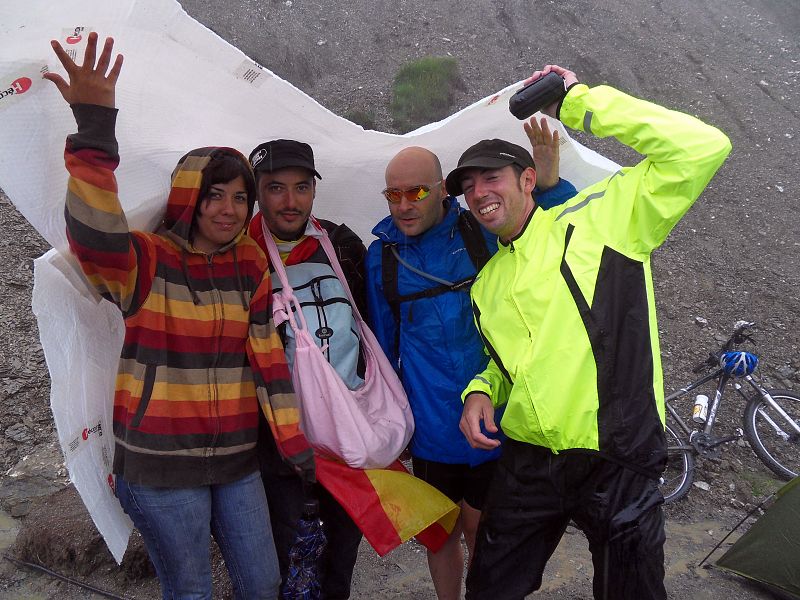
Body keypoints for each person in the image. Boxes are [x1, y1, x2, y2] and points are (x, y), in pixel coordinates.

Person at [45, 33, 313, 600]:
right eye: (214, 195)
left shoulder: (250, 264)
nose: (228, 208)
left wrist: (292, 442)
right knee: (190, 591)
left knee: (263, 585)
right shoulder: (146, 260)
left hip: (237, 462)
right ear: (189, 198)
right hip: (159, 466)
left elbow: (267, 357)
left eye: (240, 198)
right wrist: (94, 125)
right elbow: (93, 234)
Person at [452, 65, 732, 600]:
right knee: (488, 588)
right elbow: (509, 365)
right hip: (528, 459)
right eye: (468, 187)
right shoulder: (487, 284)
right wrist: (481, 391)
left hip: (616, 456)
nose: (479, 193)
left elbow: (702, 148)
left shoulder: (600, 220)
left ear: (527, 179)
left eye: (491, 178)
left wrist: (576, 102)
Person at [364, 122, 576, 600]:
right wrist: (389, 429)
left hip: (495, 421)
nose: (402, 205)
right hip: (431, 429)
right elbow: (382, 348)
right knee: (440, 537)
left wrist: (549, 182)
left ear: (443, 191)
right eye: (392, 194)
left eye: (415, 192)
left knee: (485, 533)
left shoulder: (481, 229)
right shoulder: (384, 259)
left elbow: (555, 233)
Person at [247, 139, 366, 600]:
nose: (290, 201)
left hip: (346, 434)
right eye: (276, 188)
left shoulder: (341, 243)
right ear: (257, 191)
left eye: (301, 187)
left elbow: (366, 326)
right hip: (277, 444)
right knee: (288, 562)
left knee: (341, 559)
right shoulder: (242, 251)